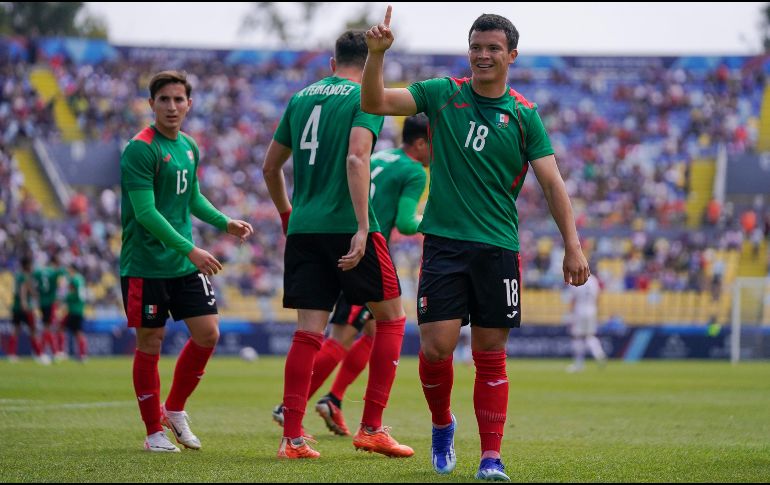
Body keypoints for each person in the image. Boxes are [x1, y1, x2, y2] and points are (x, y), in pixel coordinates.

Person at [362, 8, 590, 481]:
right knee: (437, 348)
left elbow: (552, 184)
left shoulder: (525, 116)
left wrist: (573, 245)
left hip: (498, 249)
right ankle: (442, 423)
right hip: (445, 246)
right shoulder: (443, 93)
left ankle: (491, 458)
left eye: (492, 48)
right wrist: (376, 56)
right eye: (476, 47)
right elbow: (376, 101)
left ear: (511, 55)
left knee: (490, 352)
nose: (483, 55)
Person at [263, 30, 414, 460]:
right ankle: (372, 427)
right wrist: (365, 226)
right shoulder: (364, 98)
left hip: (304, 227)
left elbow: (270, 167)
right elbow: (355, 158)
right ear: (368, 66)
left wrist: (288, 215)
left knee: (307, 331)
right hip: (348, 224)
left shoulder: (300, 98)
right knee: (391, 319)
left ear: (332, 63)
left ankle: (292, 438)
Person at [271, 114, 430, 437]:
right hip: (362, 250)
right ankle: (293, 407)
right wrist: (438, 219)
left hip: (332, 234)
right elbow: (407, 223)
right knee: (345, 335)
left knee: (372, 331)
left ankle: (334, 398)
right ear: (421, 143)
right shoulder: (414, 170)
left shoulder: (382, 155)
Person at [120, 70, 254, 453]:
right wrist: (190, 249)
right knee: (151, 341)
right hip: (146, 264)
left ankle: (174, 409)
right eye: (164, 99)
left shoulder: (189, 147)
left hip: (182, 262)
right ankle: (153, 433)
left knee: (208, 333)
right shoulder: (140, 149)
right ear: (151, 104)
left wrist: (223, 221)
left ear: (189, 104)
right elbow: (145, 213)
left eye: (179, 100)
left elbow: (192, 197)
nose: (172, 106)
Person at [8, 255, 46, 363]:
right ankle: (39, 355)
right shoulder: (25, 276)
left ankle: (11, 354)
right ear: (27, 265)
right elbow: (24, 290)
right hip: (24, 308)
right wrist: (25, 302)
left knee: (15, 330)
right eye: (31, 264)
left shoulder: (17, 276)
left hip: (15, 307)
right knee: (33, 331)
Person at [565, 274, 606, 373]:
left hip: (580, 310)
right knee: (590, 336)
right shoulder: (594, 280)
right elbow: (598, 297)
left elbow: (573, 299)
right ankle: (599, 354)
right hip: (592, 310)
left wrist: (570, 314)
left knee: (577, 337)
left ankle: (579, 364)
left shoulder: (575, 279)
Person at [33, 252, 66, 359]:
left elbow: (34, 281)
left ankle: (45, 351)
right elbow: (62, 279)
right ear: (55, 263)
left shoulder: (40, 271)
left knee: (47, 327)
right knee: (49, 328)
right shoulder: (55, 272)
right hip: (51, 302)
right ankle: (51, 352)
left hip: (42, 302)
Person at [61, 262, 89, 362]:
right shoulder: (80, 279)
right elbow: (82, 296)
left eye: (69, 269)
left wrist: (67, 297)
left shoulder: (74, 279)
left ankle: (62, 352)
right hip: (77, 309)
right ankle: (81, 354)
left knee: (74, 331)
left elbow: (75, 295)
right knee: (75, 332)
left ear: (72, 269)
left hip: (74, 309)